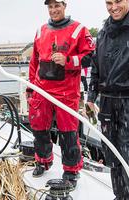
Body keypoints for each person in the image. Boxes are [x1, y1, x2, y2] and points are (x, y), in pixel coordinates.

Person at [87, 0, 129, 199]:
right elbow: (95, 68)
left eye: (118, 1)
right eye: (109, 2)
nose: (113, 7)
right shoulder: (102, 33)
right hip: (107, 104)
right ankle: (120, 196)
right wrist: (91, 97)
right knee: (113, 157)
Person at [28, 0, 95, 186]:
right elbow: (34, 62)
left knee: (69, 133)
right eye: (50, 7)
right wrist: (30, 88)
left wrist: (69, 60)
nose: (53, 10)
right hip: (41, 90)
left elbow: (91, 57)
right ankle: (43, 160)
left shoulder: (79, 29)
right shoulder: (41, 30)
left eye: (57, 6)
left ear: (65, 6)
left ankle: (71, 170)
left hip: (66, 92)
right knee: (39, 128)